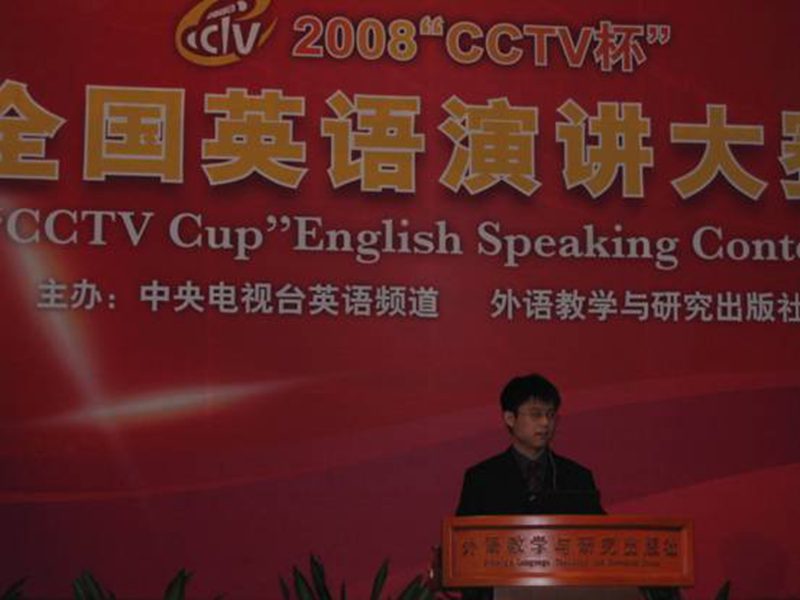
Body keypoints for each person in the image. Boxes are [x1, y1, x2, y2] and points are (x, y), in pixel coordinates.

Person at [456, 373, 604, 516]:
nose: (545, 423)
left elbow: (598, 529)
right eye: (536, 414)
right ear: (510, 418)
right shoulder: (481, 479)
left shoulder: (578, 478)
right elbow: (464, 531)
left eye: (551, 415)